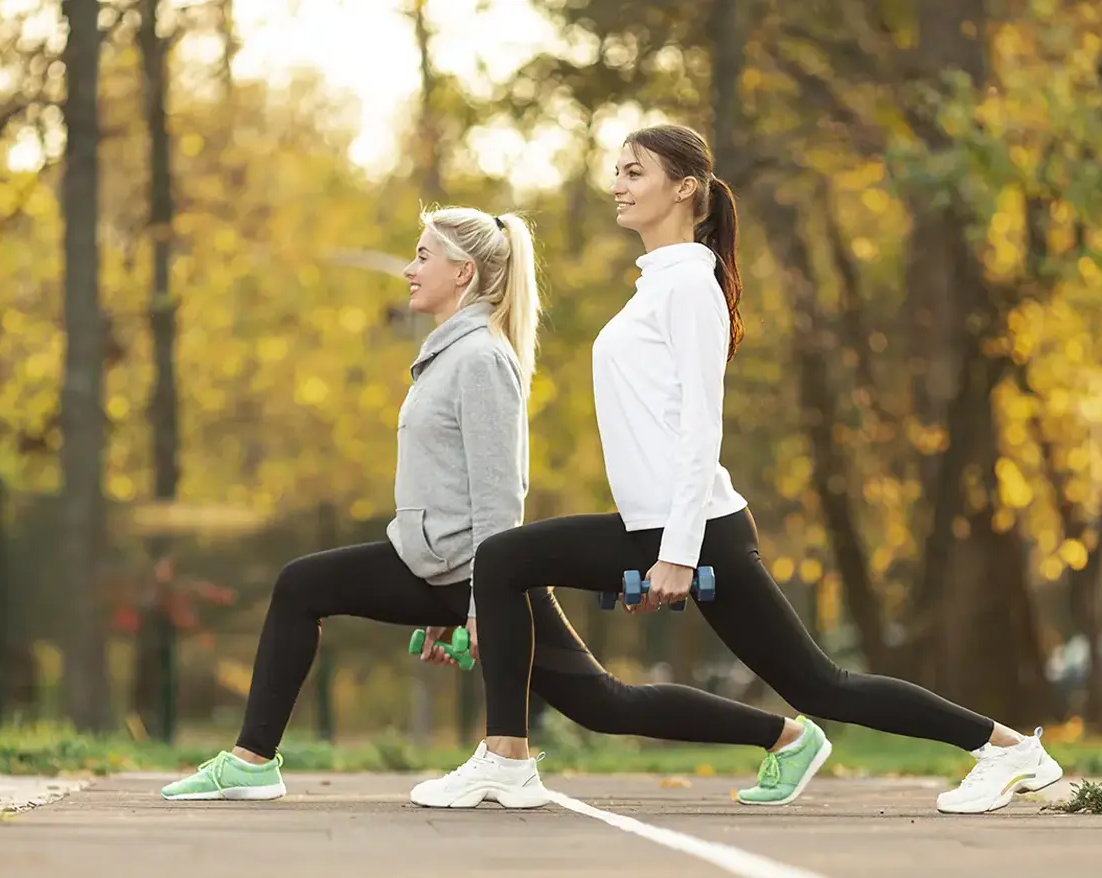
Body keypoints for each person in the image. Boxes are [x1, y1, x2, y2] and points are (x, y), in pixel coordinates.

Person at [409, 125, 1064, 816]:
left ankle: (1008, 749)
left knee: (822, 686)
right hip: (655, 525)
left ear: (684, 187)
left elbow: (700, 427)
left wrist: (678, 555)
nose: (617, 186)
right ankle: (506, 757)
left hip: (697, 529)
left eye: (634, 173)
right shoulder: (659, 283)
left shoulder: (691, 286)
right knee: (504, 559)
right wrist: (657, 546)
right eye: (617, 172)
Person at [159, 204, 818, 803]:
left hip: (471, 570)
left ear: (463, 271)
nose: (410, 270)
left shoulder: (480, 359)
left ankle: (785, 737)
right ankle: (252, 761)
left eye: (423, 255)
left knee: (605, 705)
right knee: (305, 587)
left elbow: (502, 495)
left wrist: (480, 602)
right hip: (434, 564)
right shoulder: (449, 352)